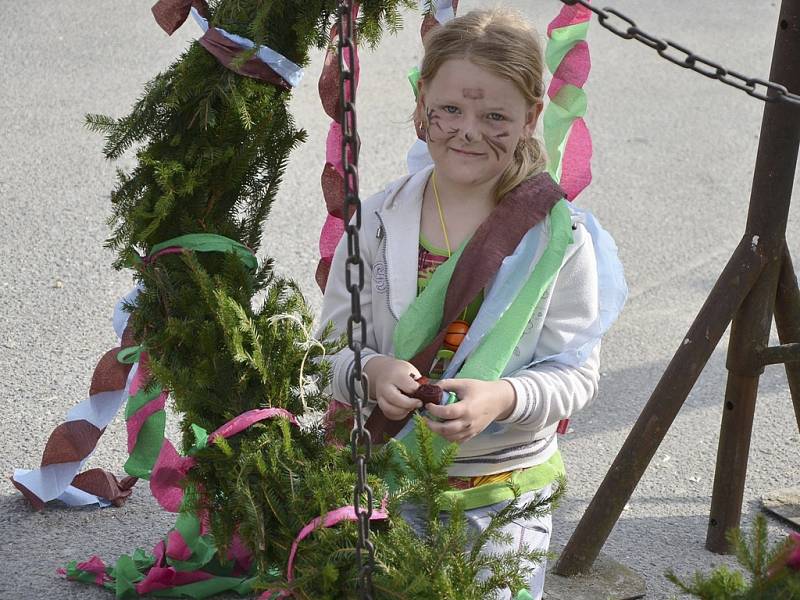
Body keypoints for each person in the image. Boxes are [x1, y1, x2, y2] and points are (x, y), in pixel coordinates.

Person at [316, 8, 626, 599]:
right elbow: (328, 351)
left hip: (505, 494)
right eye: (451, 109)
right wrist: (372, 369)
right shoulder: (377, 221)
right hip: (385, 484)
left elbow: (576, 374)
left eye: (495, 116)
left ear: (533, 117)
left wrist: (506, 397)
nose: (468, 130)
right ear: (421, 100)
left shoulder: (559, 238)